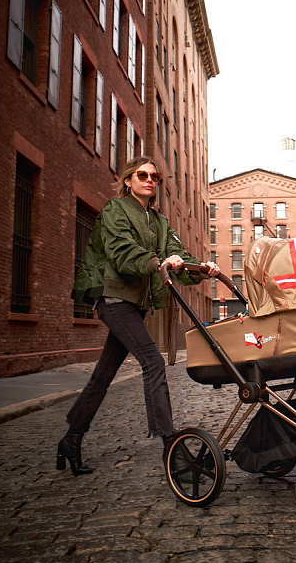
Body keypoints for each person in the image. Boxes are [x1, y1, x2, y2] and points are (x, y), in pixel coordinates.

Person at [56, 155, 220, 476]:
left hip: (136, 303)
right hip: (113, 297)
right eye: (142, 175)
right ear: (128, 180)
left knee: (103, 374)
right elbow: (122, 251)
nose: (149, 180)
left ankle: (71, 439)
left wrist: (202, 268)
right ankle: (171, 445)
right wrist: (157, 263)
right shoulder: (115, 210)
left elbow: (177, 253)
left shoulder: (159, 222)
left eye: (154, 177)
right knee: (152, 361)